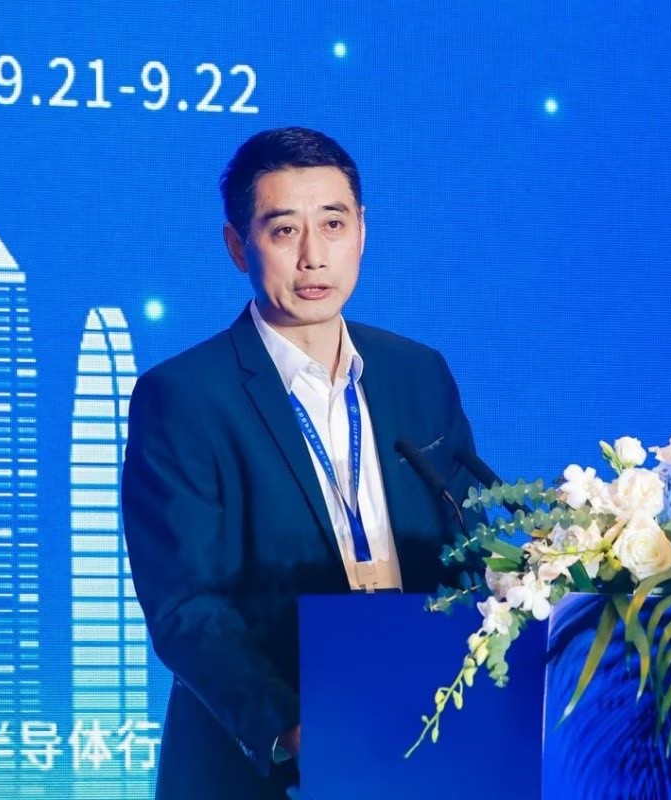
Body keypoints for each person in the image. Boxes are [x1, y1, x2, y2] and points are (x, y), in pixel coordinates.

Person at [121, 127, 481, 799]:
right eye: (284, 230)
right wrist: (291, 729)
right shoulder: (184, 396)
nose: (314, 257)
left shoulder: (418, 373)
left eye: (334, 224)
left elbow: (469, 546)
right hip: (269, 768)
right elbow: (186, 607)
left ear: (362, 230)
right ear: (238, 246)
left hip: (422, 742)